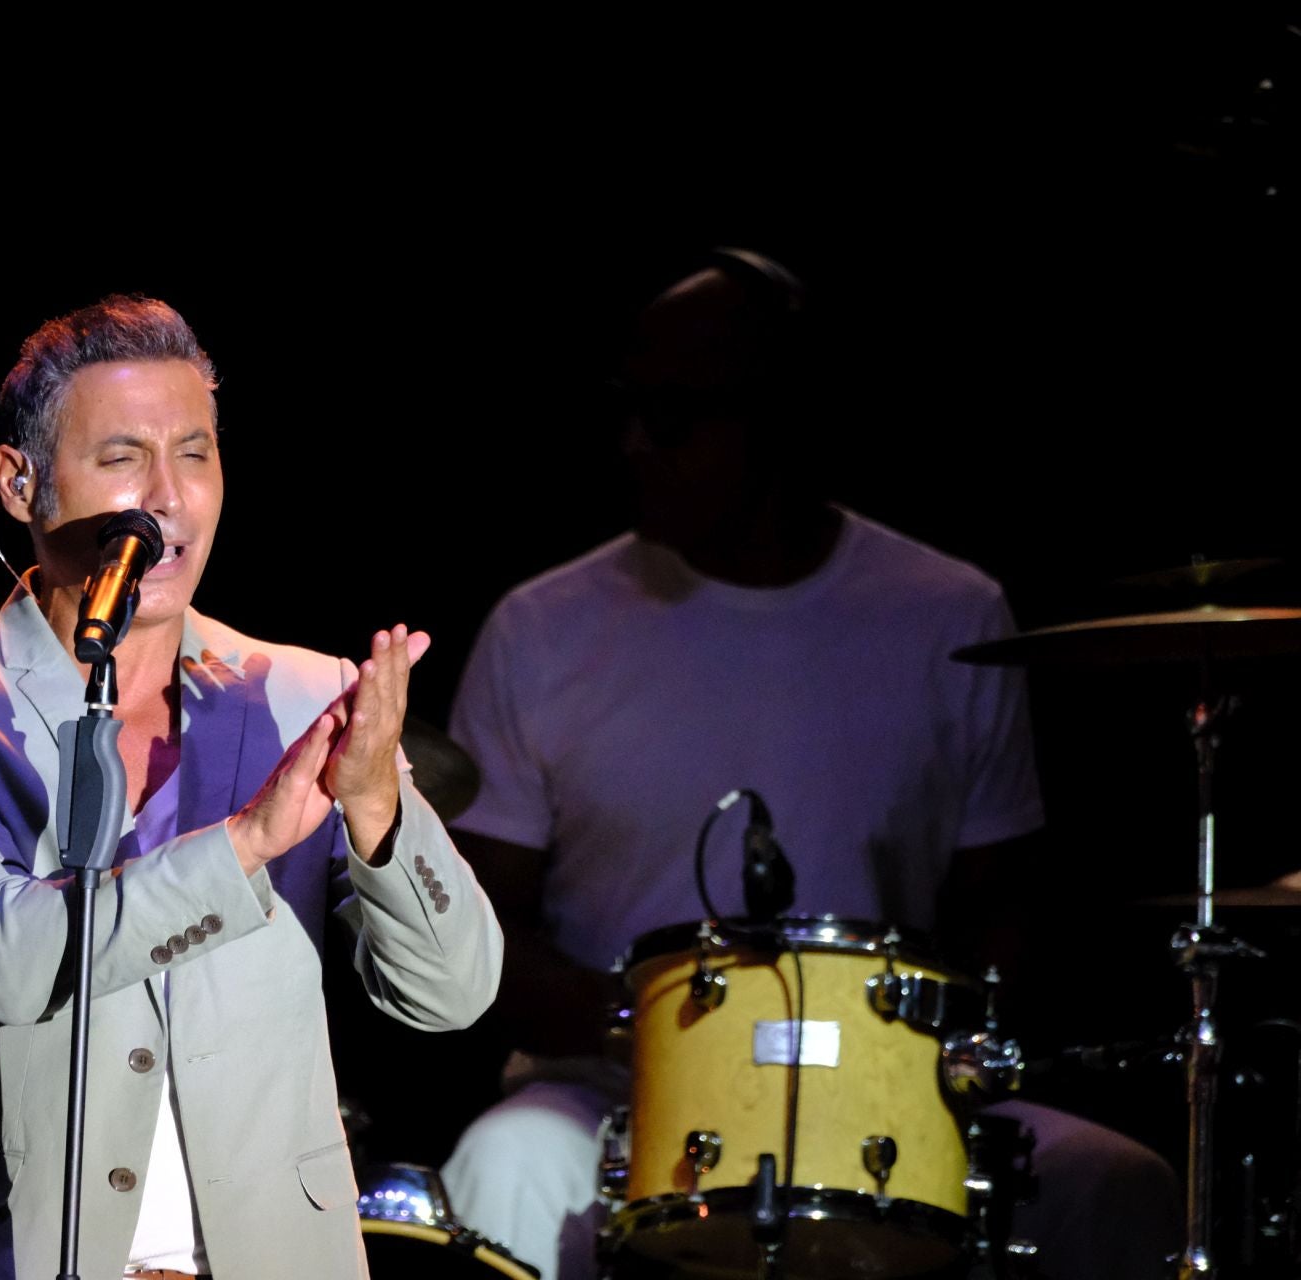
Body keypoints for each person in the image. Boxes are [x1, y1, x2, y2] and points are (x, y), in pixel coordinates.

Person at [437, 251, 1181, 1280]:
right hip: (615, 1088)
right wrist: (651, 1026)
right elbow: (477, 924)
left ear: (781, 418)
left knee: (1116, 1181)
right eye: (628, 408)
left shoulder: (948, 612)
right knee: (503, 1165)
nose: (634, 443)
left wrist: (927, 1050)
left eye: (672, 413)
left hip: (886, 1088)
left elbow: (1002, 902)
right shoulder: (543, 626)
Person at [0, 295, 503, 1280]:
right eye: (122, 458)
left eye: (194, 452)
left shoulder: (301, 693)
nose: (167, 497)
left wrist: (375, 809)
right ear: (21, 483)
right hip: (6, 1252)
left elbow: (452, 992)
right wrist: (246, 841)